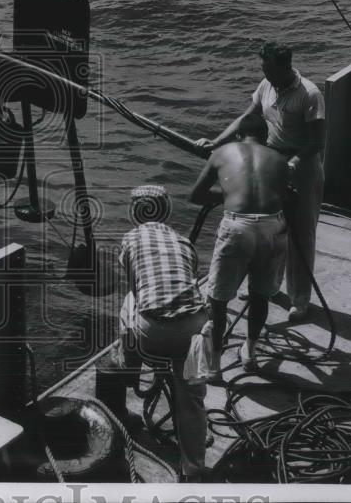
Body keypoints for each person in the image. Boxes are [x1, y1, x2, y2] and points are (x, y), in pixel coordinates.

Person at [196, 42, 325, 322]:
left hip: (302, 168)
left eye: (267, 67)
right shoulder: (266, 85)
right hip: (272, 165)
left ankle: (300, 299)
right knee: (272, 231)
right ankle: (270, 287)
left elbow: (316, 141)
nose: (263, 72)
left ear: (284, 66)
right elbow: (247, 115)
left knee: (301, 235)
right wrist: (218, 141)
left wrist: (294, 163)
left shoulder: (311, 94)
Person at [104, 185, 212, 482]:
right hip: (197, 330)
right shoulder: (183, 241)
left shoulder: (130, 239)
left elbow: (138, 289)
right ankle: (194, 469)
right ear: (166, 211)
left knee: (129, 301)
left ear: (135, 213)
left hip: (155, 335)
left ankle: (130, 370)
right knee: (191, 401)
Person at [189, 113, 289, 375]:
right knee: (260, 295)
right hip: (273, 226)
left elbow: (196, 195)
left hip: (237, 226)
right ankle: (250, 350)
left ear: (237, 136)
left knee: (218, 299)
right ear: (266, 137)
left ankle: (214, 364)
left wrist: (229, 194)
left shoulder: (223, 152)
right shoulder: (280, 159)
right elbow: (285, 198)